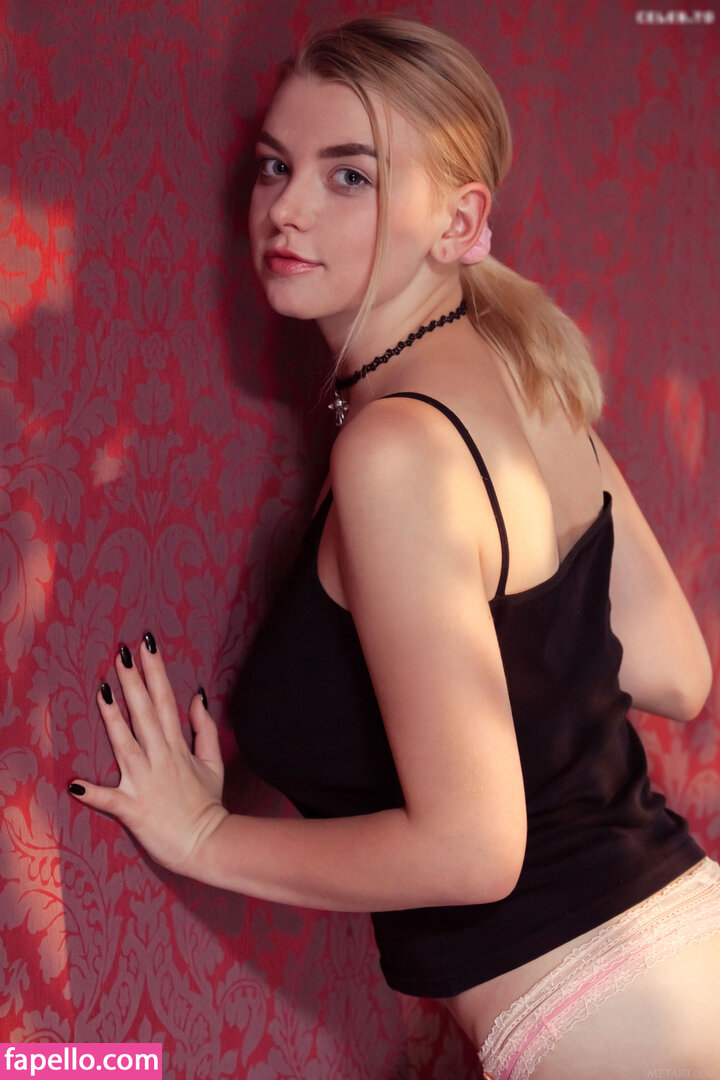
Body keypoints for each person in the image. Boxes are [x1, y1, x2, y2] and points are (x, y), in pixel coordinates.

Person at [68, 17, 720, 1079]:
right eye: (275, 165)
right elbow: (674, 669)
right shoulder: (525, 372)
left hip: (605, 1026)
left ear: (459, 221)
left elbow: (474, 851)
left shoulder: (394, 451)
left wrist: (203, 839)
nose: (287, 208)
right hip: (692, 939)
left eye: (350, 176)